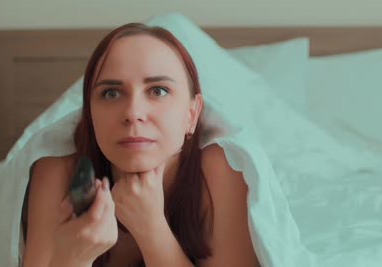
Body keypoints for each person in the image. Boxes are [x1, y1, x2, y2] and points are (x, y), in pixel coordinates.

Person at [21, 23, 259, 267]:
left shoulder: (221, 168)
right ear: (90, 113)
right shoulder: (59, 174)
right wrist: (72, 258)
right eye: (111, 93)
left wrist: (151, 229)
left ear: (192, 114)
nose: (133, 112)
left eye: (158, 90)